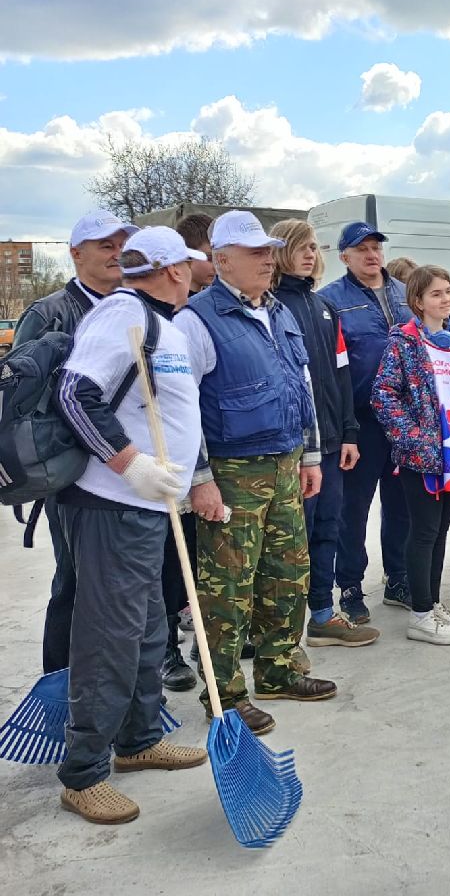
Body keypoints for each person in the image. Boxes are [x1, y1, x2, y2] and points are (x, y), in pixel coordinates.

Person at [54, 227, 208, 824]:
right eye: (191, 265)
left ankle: (140, 740)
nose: (198, 273)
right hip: (112, 505)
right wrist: (131, 464)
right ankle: (83, 774)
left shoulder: (161, 322)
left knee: (146, 630)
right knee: (108, 640)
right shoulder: (122, 312)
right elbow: (75, 393)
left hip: (148, 509)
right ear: (173, 270)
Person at [175, 211, 335, 739]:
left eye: (269, 251)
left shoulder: (281, 312)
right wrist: (200, 478)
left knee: (288, 574)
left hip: (286, 464)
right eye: (255, 253)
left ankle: (279, 670)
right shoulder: (196, 320)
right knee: (228, 589)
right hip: (233, 470)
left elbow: (302, 388)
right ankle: (224, 694)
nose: (268, 259)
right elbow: (182, 408)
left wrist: (310, 457)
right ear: (221, 261)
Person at [13, 208, 138, 676]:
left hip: (133, 469)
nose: (117, 254)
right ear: (76, 253)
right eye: (106, 245)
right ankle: (61, 684)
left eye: (122, 246)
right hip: (74, 476)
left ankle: (131, 682)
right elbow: (18, 406)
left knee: (134, 583)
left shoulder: (137, 309)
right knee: (75, 583)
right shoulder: (48, 314)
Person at [270, 219, 378, 649]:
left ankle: (320, 615)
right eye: (300, 246)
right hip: (290, 447)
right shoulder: (270, 308)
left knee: (327, 529)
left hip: (332, 443)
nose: (310, 254)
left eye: (314, 247)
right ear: (279, 252)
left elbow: (341, 376)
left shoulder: (322, 308)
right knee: (288, 537)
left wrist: (349, 433)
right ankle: (278, 627)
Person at [372, 265, 450, 643]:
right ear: (418, 301)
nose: (446, 299)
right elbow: (384, 394)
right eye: (436, 294)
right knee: (423, 533)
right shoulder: (403, 343)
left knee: (439, 534)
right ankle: (419, 615)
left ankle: (431, 602)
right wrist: (414, 439)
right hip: (423, 456)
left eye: (449, 291)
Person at [319, 221, 412, 621]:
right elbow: (329, 369)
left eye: (376, 247)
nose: (372, 255)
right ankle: (351, 586)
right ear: (344, 257)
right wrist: (343, 427)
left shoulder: (405, 293)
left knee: (402, 505)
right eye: (362, 249)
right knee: (352, 509)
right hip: (362, 422)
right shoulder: (331, 301)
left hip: (404, 421)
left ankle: (399, 578)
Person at [161, 211, 216, 690]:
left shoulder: (200, 312)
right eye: (208, 255)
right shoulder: (173, 319)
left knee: (197, 557)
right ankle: (164, 650)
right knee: (164, 561)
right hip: (157, 467)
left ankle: (199, 635)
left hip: (199, 461)